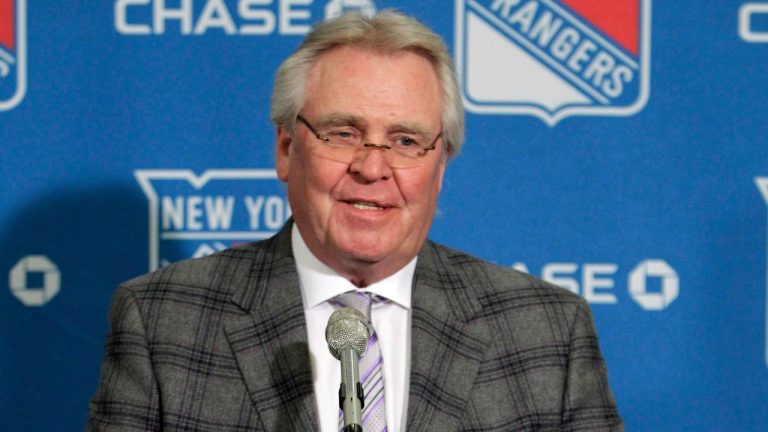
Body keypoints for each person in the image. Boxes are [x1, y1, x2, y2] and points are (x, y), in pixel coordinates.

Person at [87, 10, 622, 432]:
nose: (372, 168)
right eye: (342, 133)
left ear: (440, 168)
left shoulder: (548, 331)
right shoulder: (162, 321)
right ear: (285, 148)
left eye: (406, 142)